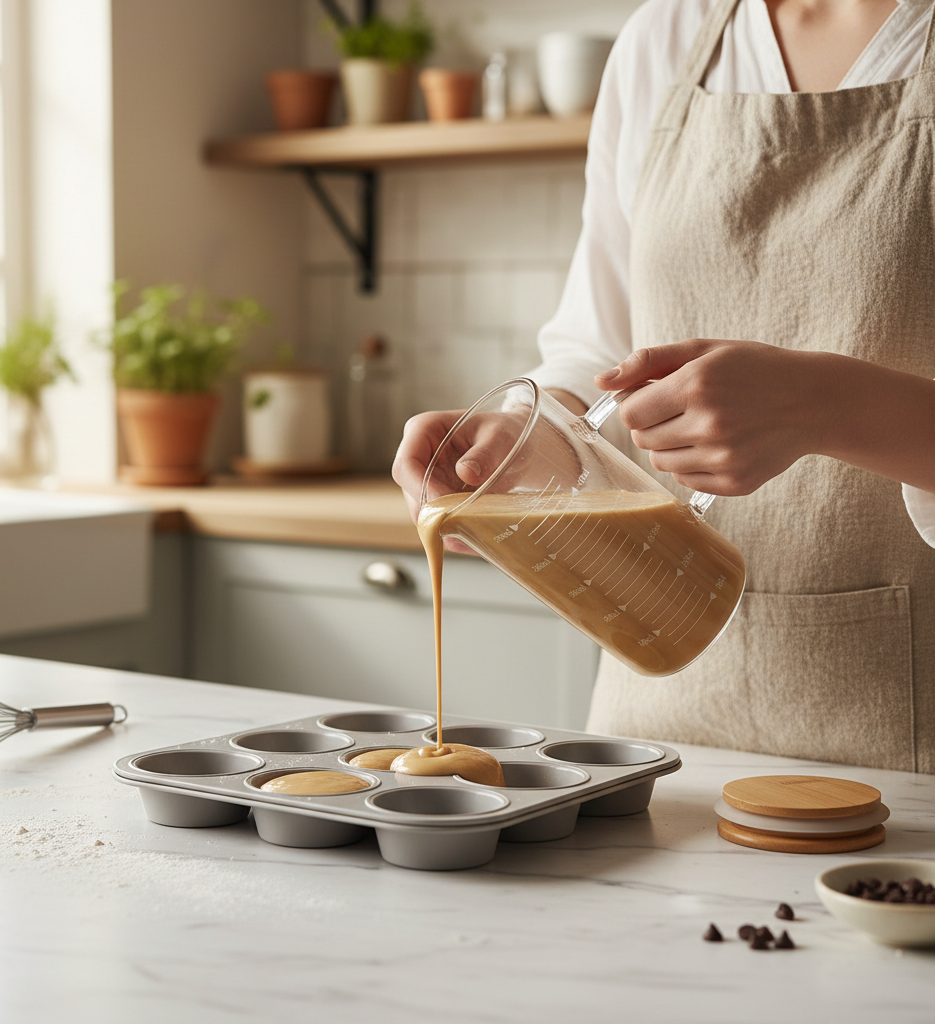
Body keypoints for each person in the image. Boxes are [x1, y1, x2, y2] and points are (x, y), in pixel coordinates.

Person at [393, 0, 935, 773]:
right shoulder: (667, 38)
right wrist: (525, 431)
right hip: (655, 736)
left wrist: (830, 407)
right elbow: (597, 345)